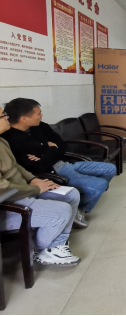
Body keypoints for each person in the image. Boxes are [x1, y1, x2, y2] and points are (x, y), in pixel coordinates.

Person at [3, 98, 117, 227]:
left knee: (110, 169)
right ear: (24, 118)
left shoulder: (40, 126)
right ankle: (76, 209)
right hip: (54, 171)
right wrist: (51, 148)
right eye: (38, 113)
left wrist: (45, 154)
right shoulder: (9, 140)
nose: (41, 115)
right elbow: (35, 166)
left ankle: (80, 207)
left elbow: (62, 145)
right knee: (100, 185)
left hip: (65, 162)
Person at [0, 106, 81, 266]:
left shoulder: (2, 141)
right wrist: (37, 189)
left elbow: (16, 167)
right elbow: (3, 188)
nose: (7, 118)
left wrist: (33, 179)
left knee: (71, 194)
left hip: (24, 190)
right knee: (62, 211)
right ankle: (43, 248)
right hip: (9, 204)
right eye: (3, 115)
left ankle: (54, 247)